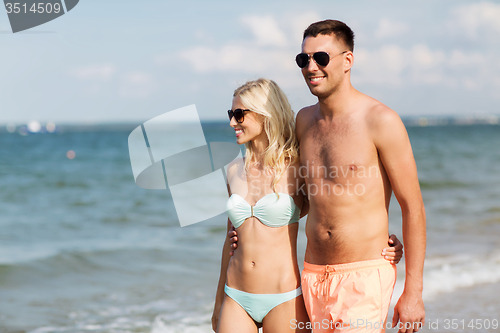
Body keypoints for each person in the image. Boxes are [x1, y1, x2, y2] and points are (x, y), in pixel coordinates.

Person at [229, 20, 426, 333]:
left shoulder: (380, 120)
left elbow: (412, 206)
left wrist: (413, 291)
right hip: (311, 276)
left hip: (363, 276)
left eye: (320, 58)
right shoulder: (303, 121)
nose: (311, 66)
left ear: (347, 61)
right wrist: (247, 223)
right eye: (303, 59)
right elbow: (295, 194)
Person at [212, 78, 404, 333]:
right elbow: (230, 239)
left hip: (283, 297)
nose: (232, 122)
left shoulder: (297, 168)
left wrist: (380, 243)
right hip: (235, 294)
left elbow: (334, 210)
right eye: (230, 114)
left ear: (264, 115)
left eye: (239, 114)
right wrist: (218, 302)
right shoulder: (233, 170)